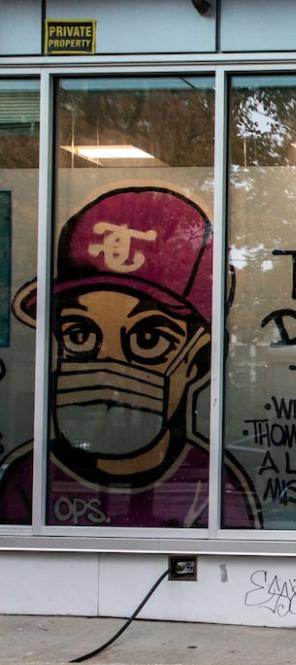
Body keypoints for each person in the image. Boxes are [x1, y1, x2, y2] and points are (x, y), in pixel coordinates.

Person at [0, 186, 259, 528]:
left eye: (147, 339)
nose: (107, 368)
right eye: (80, 334)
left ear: (197, 359)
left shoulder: (208, 486)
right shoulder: (30, 480)